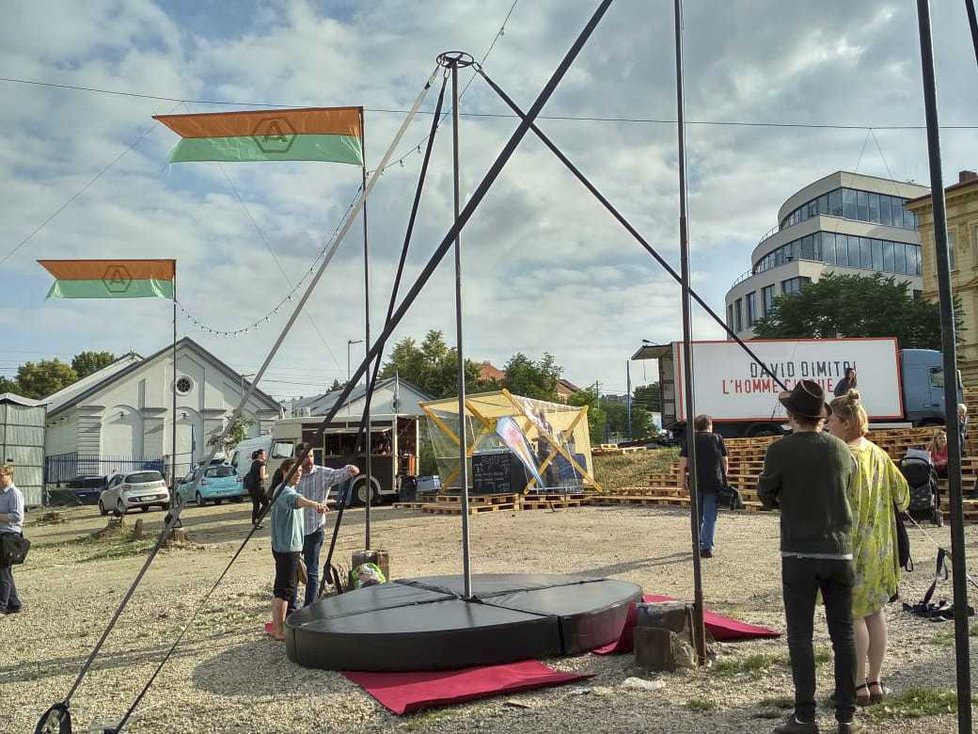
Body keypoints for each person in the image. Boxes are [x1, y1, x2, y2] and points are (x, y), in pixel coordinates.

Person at [757, 380, 860, 734]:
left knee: (801, 635)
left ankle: (805, 717)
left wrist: (790, 502)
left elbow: (766, 495)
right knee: (843, 634)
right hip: (840, 551)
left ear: (790, 416)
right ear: (821, 417)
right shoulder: (843, 450)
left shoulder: (780, 450)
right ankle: (846, 716)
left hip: (799, 552)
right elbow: (848, 490)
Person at [827, 390, 910, 708]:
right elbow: (902, 495)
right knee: (875, 613)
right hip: (881, 547)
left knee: (853, 615)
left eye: (832, 420)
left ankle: (857, 684)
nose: (828, 425)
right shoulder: (877, 452)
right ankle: (874, 680)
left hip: (853, 547)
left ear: (845, 424)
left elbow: (832, 503)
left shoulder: (842, 456)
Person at [268, 458, 329, 641]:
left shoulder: (289, 490)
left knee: (286, 587)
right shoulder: (283, 490)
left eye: (300, 472)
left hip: (291, 546)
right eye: (294, 472)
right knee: (284, 589)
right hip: (286, 548)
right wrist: (314, 504)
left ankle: (280, 626)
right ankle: (279, 630)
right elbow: (296, 501)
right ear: (285, 472)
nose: (298, 475)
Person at [293, 445, 360, 607]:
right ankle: (290, 607)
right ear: (298, 459)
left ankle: (309, 607)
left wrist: (351, 469)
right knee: (294, 570)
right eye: (304, 457)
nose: (308, 461)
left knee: (311, 569)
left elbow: (344, 473)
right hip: (295, 530)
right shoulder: (294, 475)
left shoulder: (322, 473)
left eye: (310, 456)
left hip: (314, 528)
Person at [678, 415, 728, 558]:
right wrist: (724, 477)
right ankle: (707, 547)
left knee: (697, 515)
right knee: (710, 516)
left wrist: (683, 481)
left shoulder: (690, 440)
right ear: (710, 424)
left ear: (695, 426)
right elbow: (725, 462)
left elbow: (683, 463)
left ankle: (697, 543)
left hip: (696, 482)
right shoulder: (717, 438)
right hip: (713, 482)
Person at [0, 464, 25, 615]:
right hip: (2, 534)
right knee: (6, 570)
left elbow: (17, 517)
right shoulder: (1, 494)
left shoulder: (14, 494)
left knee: (2, 569)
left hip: (10, 535)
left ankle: (2, 604)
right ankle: (14, 603)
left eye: (2, 476)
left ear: (9, 476)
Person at [246, 449, 269, 527]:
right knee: (266, 504)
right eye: (264, 454)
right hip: (258, 487)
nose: (265, 456)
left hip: (251, 487)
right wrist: (267, 476)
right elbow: (262, 476)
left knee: (256, 505)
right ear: (259, 455)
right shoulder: (261, 463)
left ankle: (254, 522)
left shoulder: (254, 463)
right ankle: (258, 518)